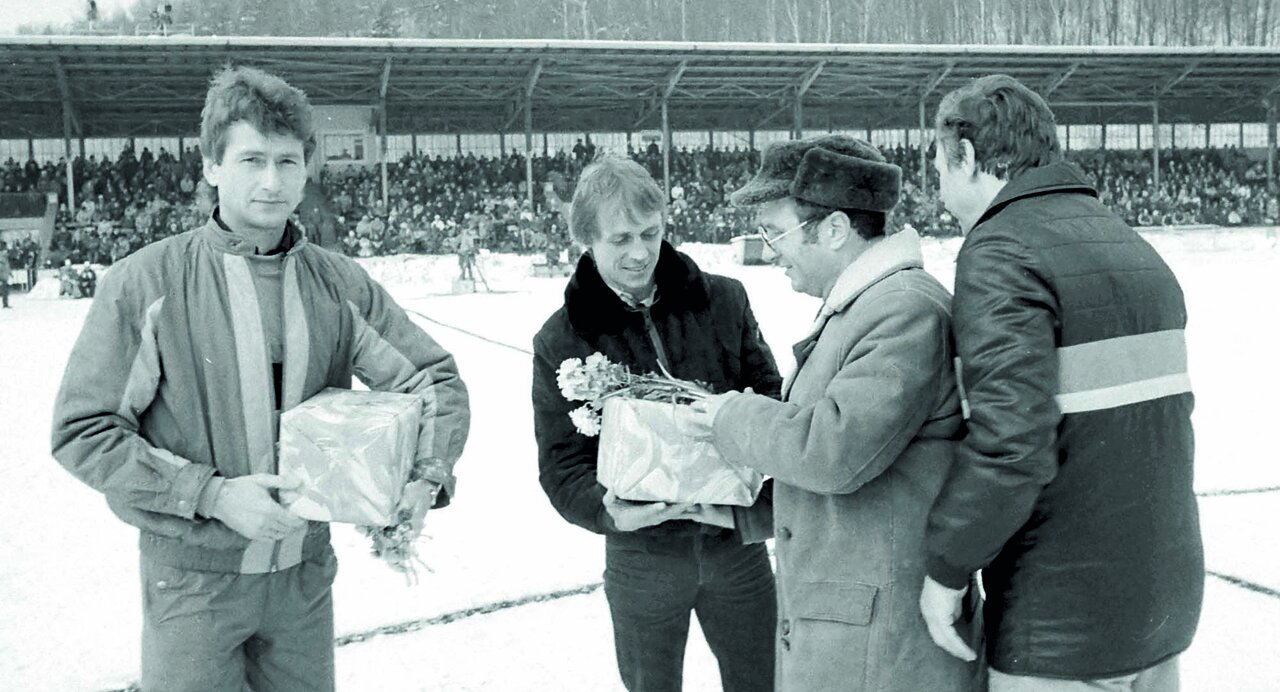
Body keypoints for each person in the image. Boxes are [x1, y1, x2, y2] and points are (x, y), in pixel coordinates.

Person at [51, 66, 470, 692]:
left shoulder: (340, 284)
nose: (272, 182)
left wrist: (424, 477)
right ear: (212, 165)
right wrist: (212, 494)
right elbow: (83, 432)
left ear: (306, 169)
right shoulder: (145, 284)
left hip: (303, 581)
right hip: (192, 584)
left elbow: (432, 380)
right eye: (251, 160)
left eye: (287, 161)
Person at [919, 74, 1203, 691]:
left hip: (1063, 624)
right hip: (1159, 607)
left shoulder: (1000, 250)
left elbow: (1011, 444)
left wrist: (946, 569)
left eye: (939, 167)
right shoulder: (1131, 245)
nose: (940, 194)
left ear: (966, 156)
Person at [690, 134, 979, 691]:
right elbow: (877, 468)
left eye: (775, 232)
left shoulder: (904, 311)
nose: (768, 248)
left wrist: (731, 415)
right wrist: (743, 511)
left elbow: (834, 451)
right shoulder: (868, 306)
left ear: (835, 229)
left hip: (880, 647)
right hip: (857, 632)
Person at [531, 156, 781, 692]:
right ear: (586, 240)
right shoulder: (561, 338)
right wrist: (609, 512)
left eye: (650, 233)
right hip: (643, 557)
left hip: (736, 549)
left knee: (766, 681)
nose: (640, 252)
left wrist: (756, 512)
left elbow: (773, 409)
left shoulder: (725, 300)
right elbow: (560, 464)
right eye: (620, 239)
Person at [0, 242, 11, 308]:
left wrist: (10, 272)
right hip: (3, 275)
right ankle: (5, 304)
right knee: (4, 290)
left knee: (5, 290)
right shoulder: (3, 257)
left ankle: (5, 303)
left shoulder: (4, 258)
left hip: (4, 275)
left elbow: (7, 266)